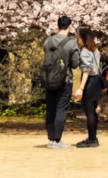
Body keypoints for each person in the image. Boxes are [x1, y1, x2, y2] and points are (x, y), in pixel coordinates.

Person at [41, 15, 80, 149]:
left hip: (49, 79)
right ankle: (58, 140)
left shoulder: (48, 41)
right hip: (65, 80)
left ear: (57, 26)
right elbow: (75, 64)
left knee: (50, 108)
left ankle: (51, 139)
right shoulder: (71, 42)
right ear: (69, 27)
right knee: (60, 109)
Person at [73, 26, 104, 147]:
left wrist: (81, 87)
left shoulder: (85, 52)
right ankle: (93, 137)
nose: (76, 38)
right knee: (94, 112)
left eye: (77, 36)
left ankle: (91, 139)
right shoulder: (95, 50)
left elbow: (86, 70)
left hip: (90, 82)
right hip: (97, 81)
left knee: (90, 112)